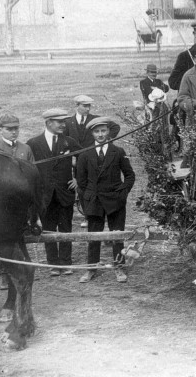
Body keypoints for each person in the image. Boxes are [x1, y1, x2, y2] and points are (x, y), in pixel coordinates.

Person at [76, 117, 135, 283]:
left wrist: (122, 193)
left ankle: (119, 267)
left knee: (117, 235)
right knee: (94, 236)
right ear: (92, 133)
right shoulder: (85, 155)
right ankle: (91, 268)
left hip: (115, 201)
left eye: (103, 131)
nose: (100, 135)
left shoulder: (118, 152)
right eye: (96, 131)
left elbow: (130, 175)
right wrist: (87, 199)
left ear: (108, 131)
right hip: (94, 202)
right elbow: (81, 182)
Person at [27, 109, 82, 276]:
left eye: (64, 121)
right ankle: (53, 263)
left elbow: (85, 158)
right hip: (45, 196)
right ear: (48, 123)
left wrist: (78, 179)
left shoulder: (69, 142)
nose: (63, 124)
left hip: (65, 194)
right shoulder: (33, 143)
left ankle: (66, 262)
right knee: (48, 229)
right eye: (59, 121)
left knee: (66, 228)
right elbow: (29, 167)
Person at [0, 113, 34, 290]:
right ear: (0, 129)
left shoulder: (26, 149)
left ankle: (22, 271)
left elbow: (32, 174)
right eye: (9, 129)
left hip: (21, 202)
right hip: (0, 205)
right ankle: (3, 273)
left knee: (18, 239)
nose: (13, 132)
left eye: (16, 128)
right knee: (1, 240)